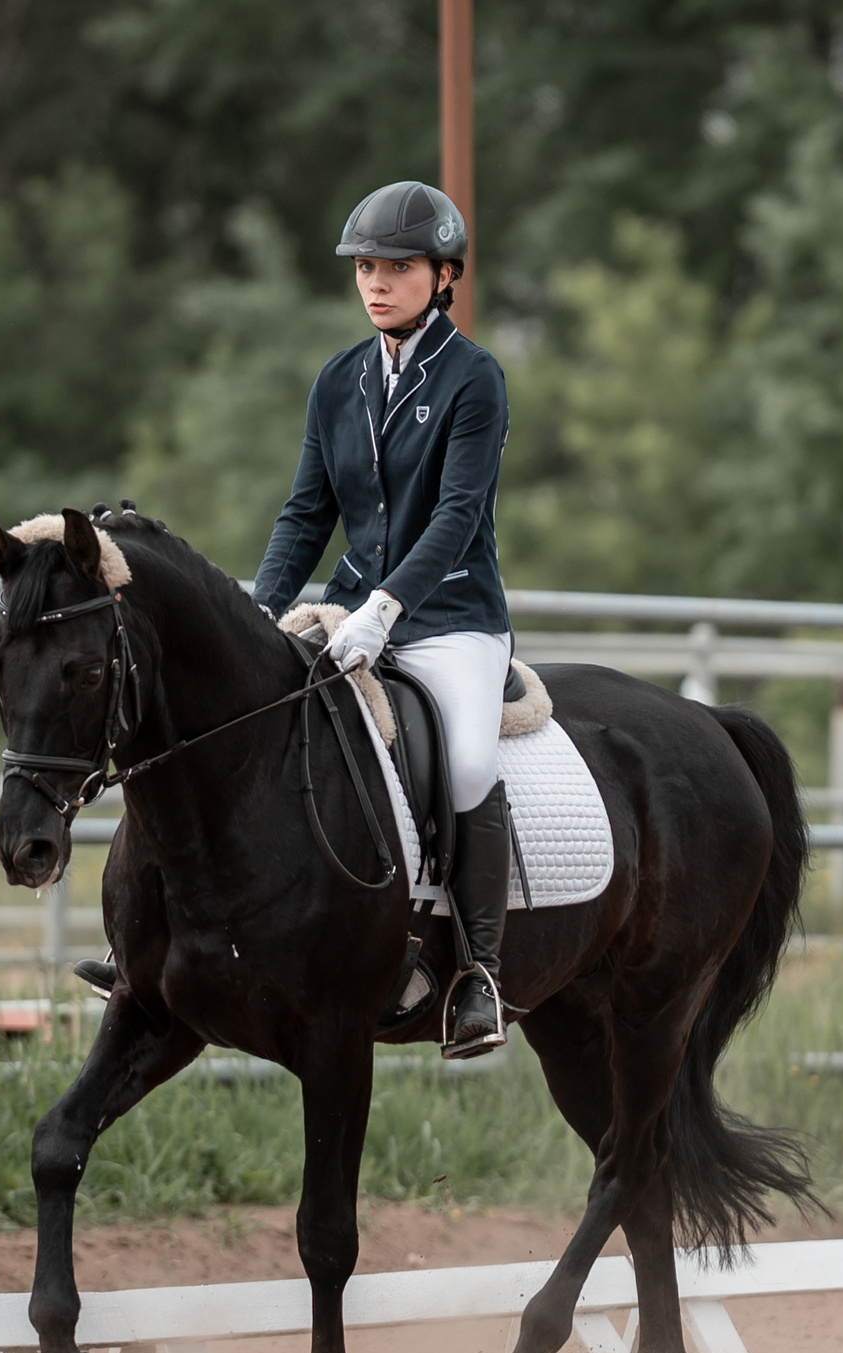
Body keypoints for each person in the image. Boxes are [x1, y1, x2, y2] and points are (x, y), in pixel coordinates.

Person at [251, 179, 514, 1059]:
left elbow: (458, 514)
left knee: (470, 758)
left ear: (444, 276)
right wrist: (261, 610)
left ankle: (478, 972)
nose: (376, 282)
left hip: (450, 616)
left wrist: (389, 606)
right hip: (350, 608)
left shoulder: (476, 379)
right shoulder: (339, 379)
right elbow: (304, 515)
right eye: (366, 266)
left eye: (397, 267)